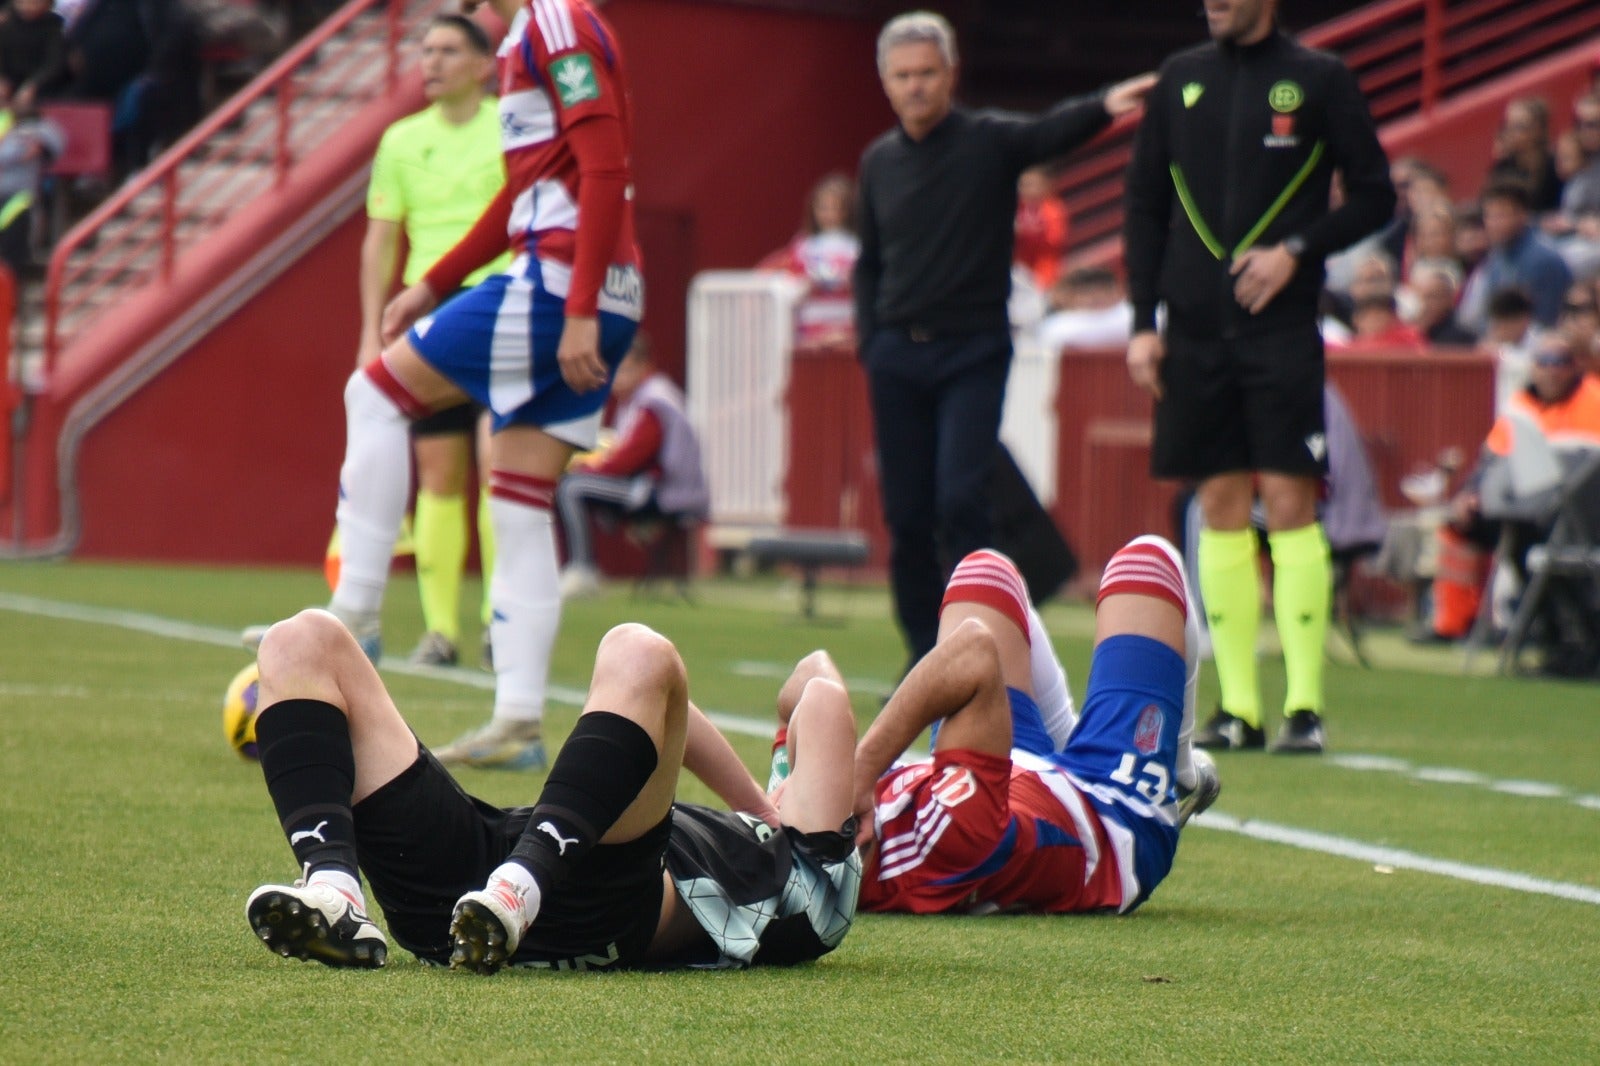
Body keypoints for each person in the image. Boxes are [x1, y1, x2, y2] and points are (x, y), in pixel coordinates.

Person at [301, 0, 644, 772]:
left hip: (558, 283)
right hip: (590, 286)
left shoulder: (556, 21)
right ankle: (520, 717)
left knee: (375, 393)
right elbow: (526, 192)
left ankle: (354, 611)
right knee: (519, 500)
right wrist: (436, 283)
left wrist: (579, 308)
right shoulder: (531, 32)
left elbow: (607, 166)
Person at [242, 612, 861, 971]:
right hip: (483, 895)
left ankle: (523, 886)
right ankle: (334, 887)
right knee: (300, 639)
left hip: (596, 904)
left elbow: (822, 691)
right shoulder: (778, 837)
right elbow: (687, 708)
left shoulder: (820, 883)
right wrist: (760, 795)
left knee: (642, 648)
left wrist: (772, 800)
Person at [1122, 0, 1395, 754]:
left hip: (1281, 332)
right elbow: (1144, 204)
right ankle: (1237, 708)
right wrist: (1144, 323)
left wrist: (1296, 250)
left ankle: (1304, 706)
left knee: (1289, 498)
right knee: (1219, 503)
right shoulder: (1180, 77)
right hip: (1194, 333)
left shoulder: (1319, 78)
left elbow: (1376, 192)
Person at [854, 9, 1154, 674]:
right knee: (905, 514)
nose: (916, 87)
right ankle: (922, 654)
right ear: (885, 80)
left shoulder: (987, 141)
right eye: (902, 76)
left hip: (972, 349)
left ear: (951, 73)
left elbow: (1052, 131)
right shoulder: (877, 163)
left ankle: (977, 642)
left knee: (962, 499)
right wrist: (870, 341)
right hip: (898, 354)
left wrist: (1107, 103)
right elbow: (868, 262)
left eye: (927, 73)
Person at [847, 537, 1219, 915]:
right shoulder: (953, 835)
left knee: (982, 572)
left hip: (1009, 776)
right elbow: (971, 652)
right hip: (1111, 816)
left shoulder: (836, 817)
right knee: (1147, 562)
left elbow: (806, 686)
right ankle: (1177, 768)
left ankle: (1072, 747)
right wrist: (863, 768)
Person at [360, 14, 508, 669]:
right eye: (425, 49)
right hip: (434, 315)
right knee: (440, 474)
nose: (432, 61)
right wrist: (371, 330)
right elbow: (381, 239)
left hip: (504, 305)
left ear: (484, 64)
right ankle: (441, 630)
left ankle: (498, 623)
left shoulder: (511, 126)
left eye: (449, 49)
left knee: (501, 468)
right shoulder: (400, 140)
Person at [1417, 331, 1600, 646]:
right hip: (1522, 510)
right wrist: (1469, 493)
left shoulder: (1593, 401)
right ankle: (1454, 624)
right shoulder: (1520, 406)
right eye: (1544, 361)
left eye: (1560, 362)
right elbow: (1491, 459)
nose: (1552, 369)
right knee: (1459, 525)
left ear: (1574, 367)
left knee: (1530, 547)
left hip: (1576, 519)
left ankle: (1560, 631)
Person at [554, 333, 708, 599]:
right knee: (574, 485)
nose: (616, 379)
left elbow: (626, 461)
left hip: (664, 492)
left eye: (623, 369)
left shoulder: (653, 401)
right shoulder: (646, 396)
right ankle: (581, 568)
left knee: (571, 487)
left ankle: (583, 570)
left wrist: (582, 469)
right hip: (660, 487)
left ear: (642, 365)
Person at [758, 172, 860, 347]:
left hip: (847, 324)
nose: (830, 215)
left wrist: (853, 279)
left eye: (837, 208)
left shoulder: (859, 247)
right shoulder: (802, 247)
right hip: (810, 327)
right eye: (823, 208)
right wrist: (803, 284)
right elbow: (777, 277)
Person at [1459, 180, 1573, 333]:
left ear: (1523, 215)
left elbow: (1545, 323)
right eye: (1490, 216)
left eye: (1502, 216)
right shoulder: (1496, 257)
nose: (1494, 224)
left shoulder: (1544, 260)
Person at [0, 95, 62, 275]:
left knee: (13, 254)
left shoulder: (37, 128)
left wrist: (28, 142)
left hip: (17, 199)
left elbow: (55, 142)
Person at [1035, 265, 1134, 352]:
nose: (1097, 297)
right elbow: (1057, 335)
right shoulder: (1056, 325)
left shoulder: (1131, 313)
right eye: (1086, 292)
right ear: (1067, 297)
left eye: (1104, 289)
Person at [1014, 165, 1069, 291]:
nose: (1028, 190)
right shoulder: (1017, 208)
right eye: (1024, 185)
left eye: (1033, 184)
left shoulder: (1053, 209)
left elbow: (1055, 239)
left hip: (1044, 270)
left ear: (1047, 185)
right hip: (1019, 268)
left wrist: (1025, 233)